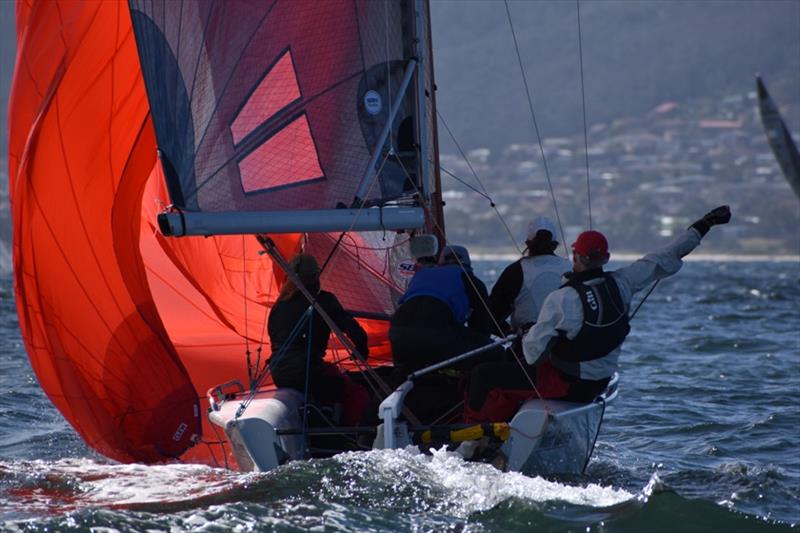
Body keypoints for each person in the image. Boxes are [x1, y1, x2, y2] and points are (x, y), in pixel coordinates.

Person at [464, 205, 732, 422]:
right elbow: (666, 255)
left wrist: (527, 332)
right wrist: (704, 224)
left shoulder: (562, 299)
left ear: (576, 257)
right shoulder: (624, 283)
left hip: (567, 386)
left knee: (484, 374)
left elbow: (533, 355)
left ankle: (475, 438)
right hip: (600, 383)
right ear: (606, 258)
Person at [268, 253, 369, 425]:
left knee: (324, 380)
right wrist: (362, 348)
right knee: (345, 388)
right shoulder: (323, 300)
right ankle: (336, 424)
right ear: (316, 276)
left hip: (279, 374)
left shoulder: (279, 305)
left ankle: (322, 413)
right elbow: (351, 328)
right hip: (307, 372)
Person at [489, 216, 571, 334]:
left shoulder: (515, 270)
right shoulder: (570, 267)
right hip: (565, 342)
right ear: (554, 244)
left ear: (528, 242)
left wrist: (507, 331)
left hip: (526, 344)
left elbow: (492, 313)